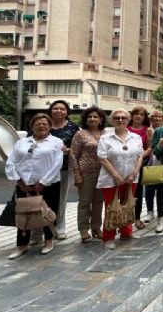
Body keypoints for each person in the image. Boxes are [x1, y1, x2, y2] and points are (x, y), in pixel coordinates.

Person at [6, 113, 63, 259]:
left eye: (45, 123)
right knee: (23, 213)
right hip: (24, 184)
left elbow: (57, 164)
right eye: (37, 123)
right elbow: (12, 161)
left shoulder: (56, 142)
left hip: (48, 184)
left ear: (50, 126)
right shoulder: (22, 143)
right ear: (32, 126)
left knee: (48, 213)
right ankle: (22, 244)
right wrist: (18, 180)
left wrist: (43, 182)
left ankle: (48, 241)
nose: (41, 125)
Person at [97, 109, 144, 249]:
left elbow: (140, 156)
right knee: (111, 209)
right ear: (112, 120)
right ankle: (109, 238)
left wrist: (134, 173)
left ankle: (126, 232)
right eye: (117, 117)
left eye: (123, 117)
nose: (120, 120)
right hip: (110, 179)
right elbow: (102, 158)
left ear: (128, 120)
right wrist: (116, 176)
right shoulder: (105, 138)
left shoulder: (136, 137)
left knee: (128, 205)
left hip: (131, 178)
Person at [70, 106, 106, 242]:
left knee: (98, 201)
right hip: (85, 174)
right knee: (84, 202)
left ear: (100, 119)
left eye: (95, 117)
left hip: (103, 173)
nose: (92, 119)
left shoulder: (105, 134)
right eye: (89, 117)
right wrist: (76, 174)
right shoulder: (80, 134)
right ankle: (83, 229)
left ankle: (96, 227)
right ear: (85, 119)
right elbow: (73, 155)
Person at [47, 99, 80, 240]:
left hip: (63, 167)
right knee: (43, 199)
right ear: (50, 111)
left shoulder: (73, 127)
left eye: (62, 109)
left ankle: (59, 227)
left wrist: (68, 150)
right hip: (43, 168)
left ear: (67, 112)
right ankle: (42, 228)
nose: (59, 111)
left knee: (60, 199)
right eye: (55, 108)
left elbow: (78, 148)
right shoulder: (43, 124)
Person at [127, 106, 153, 230]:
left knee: (137, 192)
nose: (138, 116)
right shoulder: (125, 129)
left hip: (140, 164)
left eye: (141, 114)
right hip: (124, 164)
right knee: (124, 192)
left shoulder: (147, 130)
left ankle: (136, 218)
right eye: (136, 113)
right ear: (132, 115)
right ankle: (123, 218)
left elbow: (149, 147)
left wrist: (141, 156)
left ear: (144, 117)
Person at [144, 110, 163, 222]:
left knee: (161, 189)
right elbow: (150, 146)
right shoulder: (149, 129)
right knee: (150, 188)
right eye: (155, 116)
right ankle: (150, 212)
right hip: (152, 162)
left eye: (159, 117)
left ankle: (161, 212)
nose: (157, 118)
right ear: (151, 118)